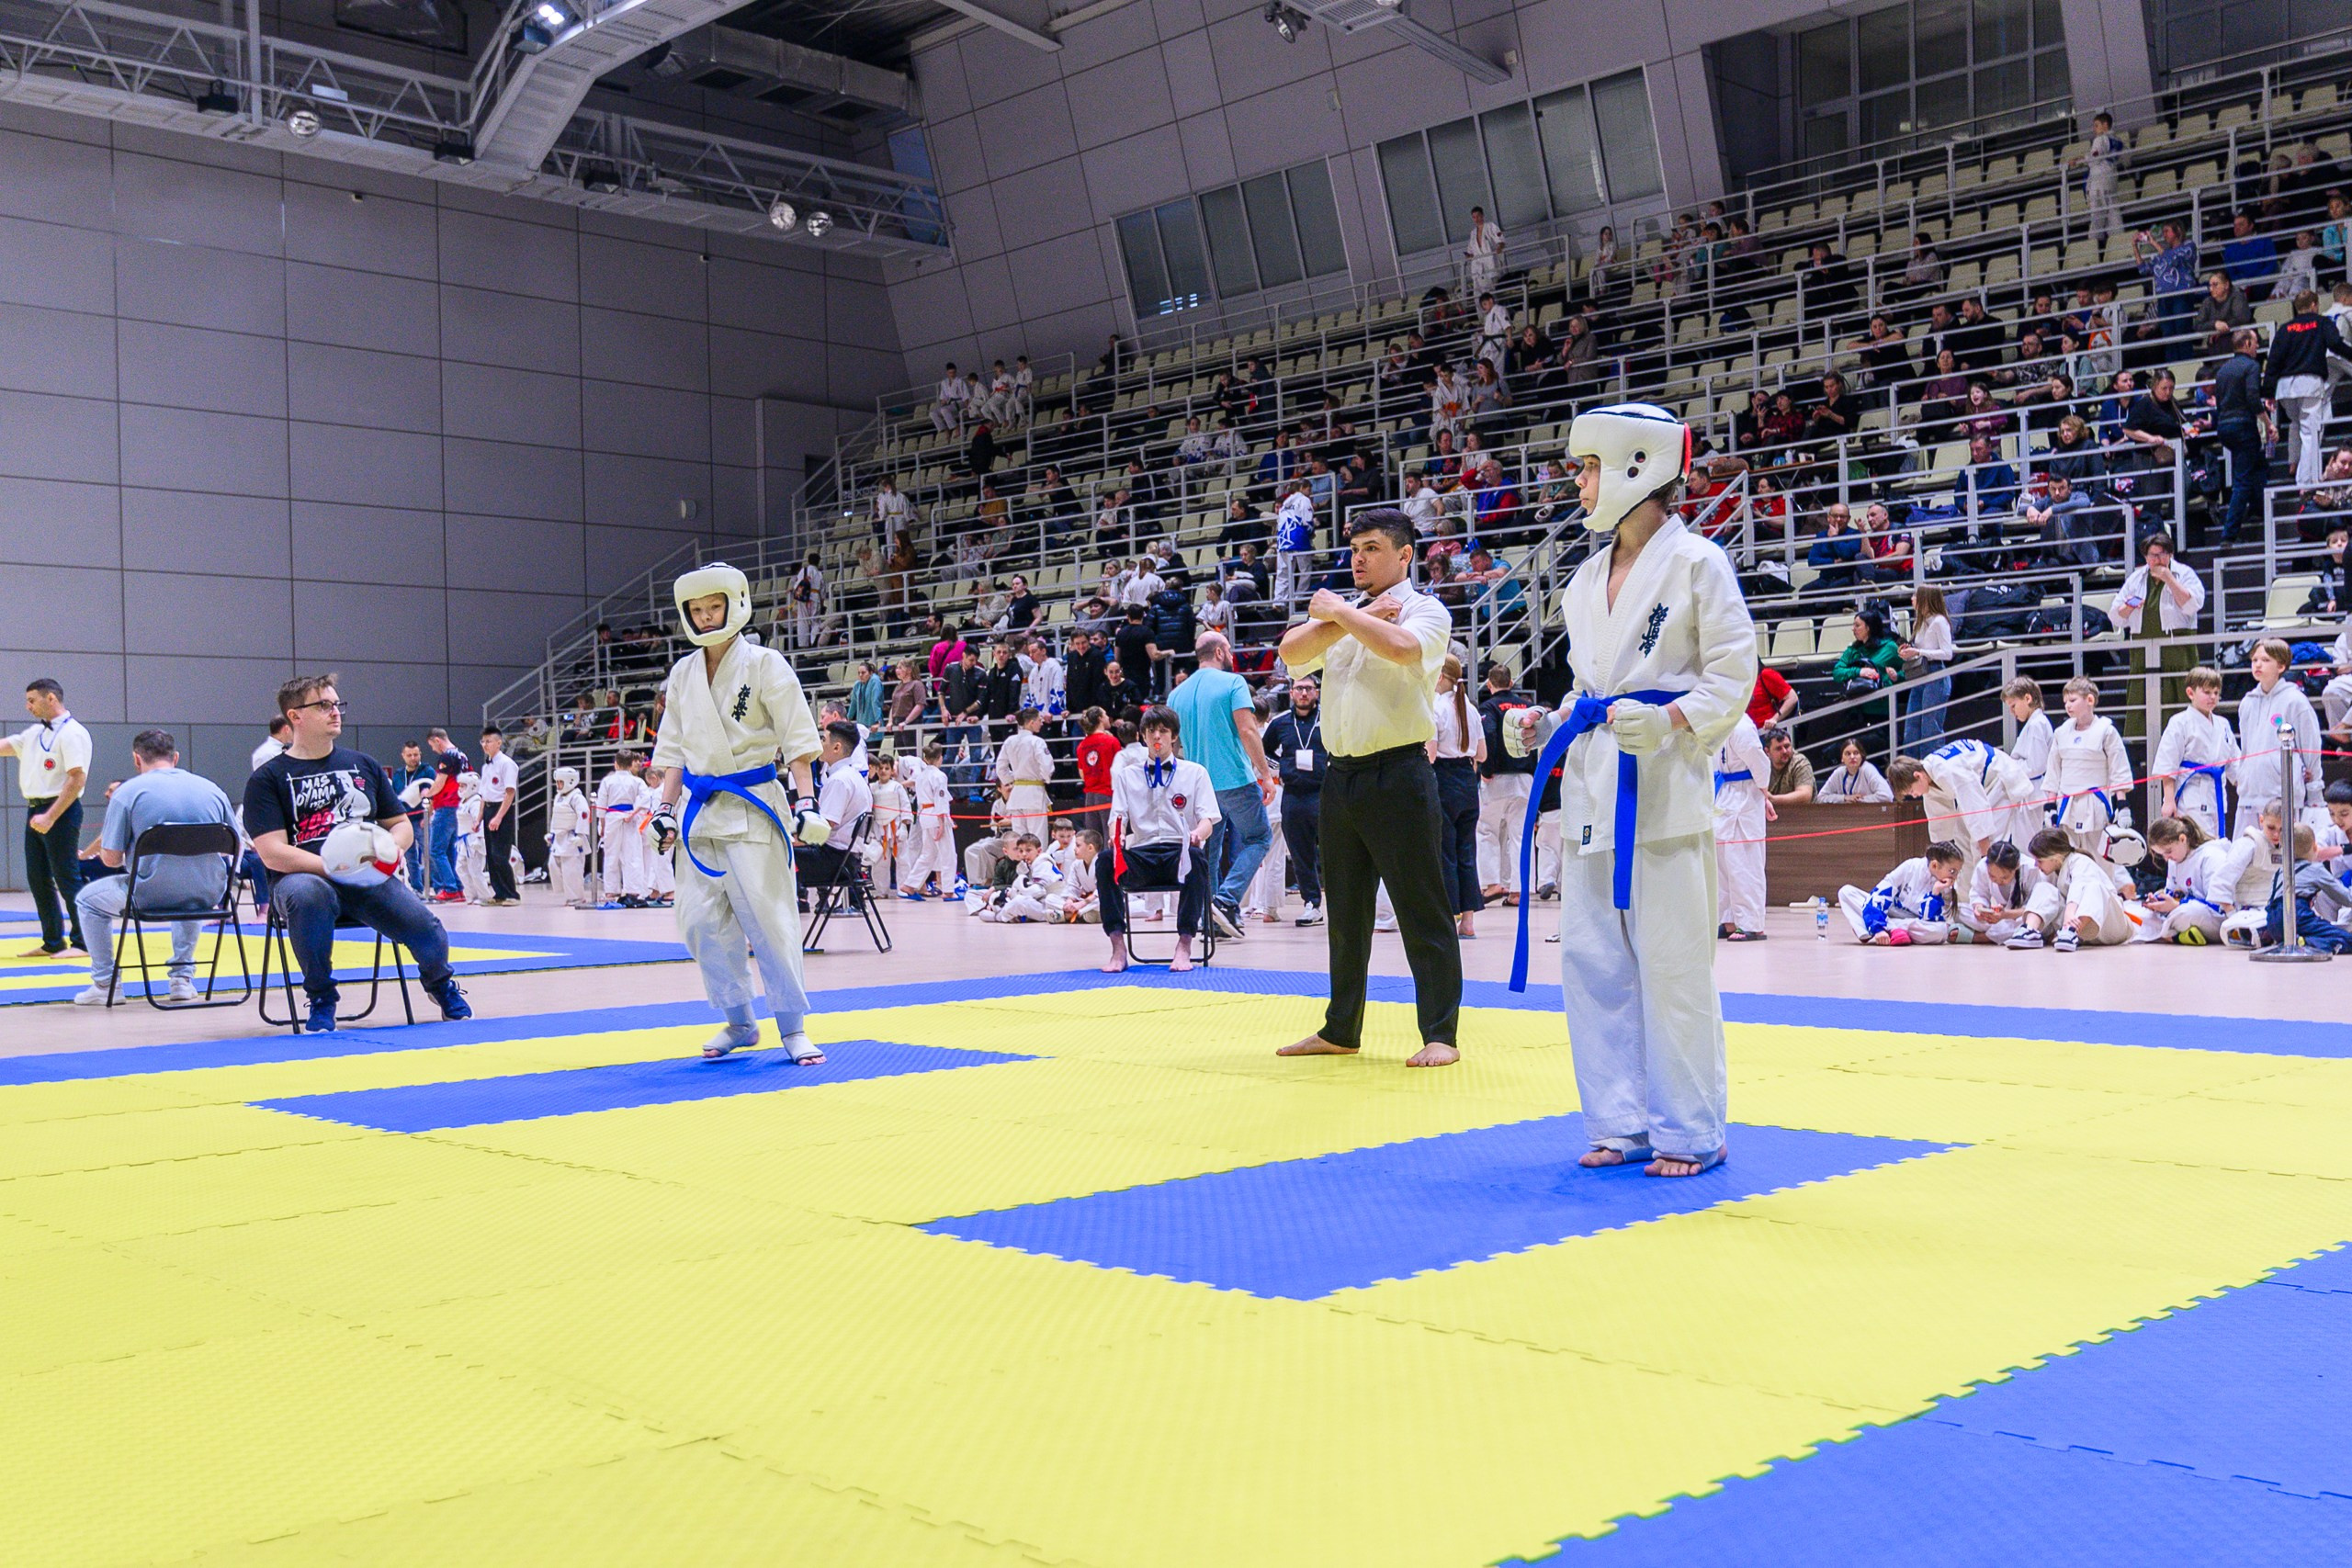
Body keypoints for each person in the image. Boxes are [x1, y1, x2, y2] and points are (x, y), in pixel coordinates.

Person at [1507, 403, 1756, 1177]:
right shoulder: (1584, 578)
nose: (1578, 484)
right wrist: (1547, 723)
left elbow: (1733, 671)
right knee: (1591, 960)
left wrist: (1678, 717)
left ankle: (1691, 1129)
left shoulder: (1698, 563)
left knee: (1673, 962)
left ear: (1636, 468)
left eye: (1586, 468)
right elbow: (1591, 685)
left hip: (1665, 788)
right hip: (1592, 781)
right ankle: (1620, 1119)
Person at [1277, 510, 1462, 1069]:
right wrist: (1347, 617)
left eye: (1373, 548)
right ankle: (1341, 1027)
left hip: (1400, 774)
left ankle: (1441, 1032)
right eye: (1355, 547)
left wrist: (1337, 611)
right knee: (1347, 911)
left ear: (1404, 555)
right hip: (1341, 777)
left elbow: (1405, 650)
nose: (1358, 557)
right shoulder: (1353, 614)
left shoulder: (1425, 609)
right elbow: (1290, 653)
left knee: (1420, 906)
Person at [646, 563, 828, 1065]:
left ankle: (792, 1027)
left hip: (755, 806)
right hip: (701, 813)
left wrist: (807, 802)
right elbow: (675, 751)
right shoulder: (683, 673)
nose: (706, 618)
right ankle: (740, 1021)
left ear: (735, 604)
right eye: (697, 611)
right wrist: (664, 809)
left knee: (770, 919)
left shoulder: (766, 664)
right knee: (701, 922)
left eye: (714, 607)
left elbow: (797, 739)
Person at [245, 673, 469, 1032]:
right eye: (323, 706)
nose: (335, 712)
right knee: (309, 895)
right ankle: (321, 996)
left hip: (366, 877)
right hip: (302, 878)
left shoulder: (362, 765)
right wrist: (335, 867)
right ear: (294, 716)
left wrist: (389, 849)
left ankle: (440, 984)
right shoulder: (268, 778)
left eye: (337, 705)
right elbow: (272, 853)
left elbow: (401, 826)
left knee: (426, 927)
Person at [70, 729, 233, 1006]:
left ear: (137, 759)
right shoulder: (212, 789)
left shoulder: (127, 793)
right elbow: (234, 845)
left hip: (148, 895)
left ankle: (106, 983)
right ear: (176, 757)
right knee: (191, 887)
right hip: (209, 894)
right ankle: (182, 979)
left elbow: (110, 859)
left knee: (86, 900)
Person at [1168, 630, 1275, 939]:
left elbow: (1173, 746)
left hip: (1196, 786)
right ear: (1218, 653)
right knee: (1258, 838)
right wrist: (1265, 775)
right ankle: (1227, 901)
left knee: (1210, 854)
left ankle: (1210, 917)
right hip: (1234, 779)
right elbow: (1248, 730)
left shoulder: (1177, 694)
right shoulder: (1233, 683)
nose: (1231, 655)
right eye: (1228, 649)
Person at [1097, 705, 1219, 974]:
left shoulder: (1195, 773)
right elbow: (1117, 817)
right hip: (1142, 854)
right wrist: (1115, 838)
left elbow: (1208, 818)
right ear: (1142, 736)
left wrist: (1197, 834)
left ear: (1174, 736)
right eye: (1151, 730)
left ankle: (1184, 943)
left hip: (1179, 853)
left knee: (1198, 858)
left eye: (1163, 731)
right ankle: (1118, 947)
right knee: (1106, 860)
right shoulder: (1127, 776)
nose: (1157, 736)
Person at [3, 677, 91, 956]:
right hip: (36, 808)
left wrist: (51, 817)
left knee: (67, 876)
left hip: (60, 810)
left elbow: (77, 779)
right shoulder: (34, 733)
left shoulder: (73, 733)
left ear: (50, 698)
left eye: (32, 700)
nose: (28, 706)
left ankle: (84, 942)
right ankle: (52, 940)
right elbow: (5, 746)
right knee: (37, 878)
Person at [1888, 741, 2043, 873]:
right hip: (1979, 789)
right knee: (1962, 844)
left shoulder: (1947, 769)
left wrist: (1985, 853)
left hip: (1996, 780)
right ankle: (1965, 902)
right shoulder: (1929, 777)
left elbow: (1975, 805)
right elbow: (1939, 823)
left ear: (1918, 776)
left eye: (1911, 790)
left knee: (1983, 847)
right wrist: (1939, 858)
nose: (1914, 795)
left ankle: (1992, 896)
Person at [2263, 288, 2352, 486]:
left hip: (2285, 388)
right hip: (2309, 383)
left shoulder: (2285, 329)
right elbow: (2336, 344)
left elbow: (2273, 361)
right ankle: (2306, 483)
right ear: (2314, 305)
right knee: (2311, 432)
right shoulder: (2322, 323)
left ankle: (2294, 464)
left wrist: (2268, 392)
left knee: (2297, 424)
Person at [2236, 637, 2322, 823]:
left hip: (2283, 794)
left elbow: (2311, 749)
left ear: (2281, 666)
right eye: (2254, 660)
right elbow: (2245, 749)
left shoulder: (2295, 701)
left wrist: (2315, 793)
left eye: (2266, 660)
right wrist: (2242, 777)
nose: (2258, 664)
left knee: (2285, 849)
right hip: (2250, 795)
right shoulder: (2247, 703)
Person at [2047, 676, 2135, 854]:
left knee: (2101, 859)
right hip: (2066, 805)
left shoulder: (2106, 730)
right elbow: (2053, 772)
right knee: (2070, 859)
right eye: (2065, 702)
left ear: (2090, 700)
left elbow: (2118, 768)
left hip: (2096, 805)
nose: (2068, 706)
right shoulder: (2061, 732)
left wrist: (2123, 805)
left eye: (2072, 700)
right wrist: (2048, 808)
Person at [1430, 655, 1485, 941]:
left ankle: (1450, 918)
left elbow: (1429, 754)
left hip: (1444, 780)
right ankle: (1469, 921)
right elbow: (1482, 754)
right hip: (1468, 782)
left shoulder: (1435, 708)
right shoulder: (1471, 709)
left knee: (1446, 854)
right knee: (1467, 852)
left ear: (1439, 676)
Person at [2008, 828, 2136, 950]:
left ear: (2054, 857)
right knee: (2043, 888)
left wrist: (2069, 917)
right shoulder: (2050, 871)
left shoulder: (2080, 861)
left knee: (2094, 887)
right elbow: (2046, 902)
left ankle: (2070, 931)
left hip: (2110, 926)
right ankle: (2030, 931)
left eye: (2039, 860)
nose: (2036, 865)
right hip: (2080, 929)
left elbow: (2078, 888)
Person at [2153, 666, 2241, 840]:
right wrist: (2168, 801)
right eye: (2207, 692)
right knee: (2194, 848)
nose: (2213, 697)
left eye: (2216, 692)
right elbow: (2168, 764)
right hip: (2191, 796)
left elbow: (2235, 764)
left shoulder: (2223, 724)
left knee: (2217, 846)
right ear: (2190, 693)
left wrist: (2248, 790)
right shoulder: (2179, 722)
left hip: (2217, 796)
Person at [1263, 677, 1325, 926]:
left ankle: (1345, 904)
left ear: (1317, 693)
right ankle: (1312, 903)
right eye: (1299, 688)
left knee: (1334, 850)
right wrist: (1281, 767)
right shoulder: (1280, 723)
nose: (1303, 693)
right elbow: (1263, 750)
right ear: (1291, 692)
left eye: (1308, 689)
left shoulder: (1328, 719)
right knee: (1300, 853)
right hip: (1294, 795)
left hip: (1325, 793)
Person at [793, 719, 874, 903]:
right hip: (849, 858)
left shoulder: (840, 780)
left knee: (778, 855)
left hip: (833, 860)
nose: (820, 744)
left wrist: (790, 842)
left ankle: (780, 918)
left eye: (824, 739)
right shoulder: (854, 777)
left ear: (836, 747)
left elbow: (823, 829)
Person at [1475, 664, 1536, 907]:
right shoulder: (1528, 707)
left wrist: (1486, 770)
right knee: (1520, 835)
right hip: (1525, 777)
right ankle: (1519, 891)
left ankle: (1492, 884)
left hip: (1498, 777)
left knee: (1486, 829)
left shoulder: (1488, 707)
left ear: (1489, 685)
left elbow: (1488, 735)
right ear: (1511, 683)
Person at [1837, 840, 1964, 945]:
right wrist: (1877, 926)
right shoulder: (1910, 867)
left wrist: (1935, 893)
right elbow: (1879, 894)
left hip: (1914, 922)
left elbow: (1930, 921)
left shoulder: (1947, 887)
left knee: (1940, 931)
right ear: (1935, 865)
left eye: (1958, 872)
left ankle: (1890, 929)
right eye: (1952, 871)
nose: (1955, 876)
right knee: (1846, 892)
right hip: (1888, 912)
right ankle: (1888, 930)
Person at [1713, 714, 1771, 942]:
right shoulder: (1718, 721)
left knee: (1744, 865)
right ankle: (1728, 921)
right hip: (1724, 793)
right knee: (1723, 865)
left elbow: (1761, 765)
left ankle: (1751, 924)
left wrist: (1764, 793)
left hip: (1746, 795)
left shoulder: (1743, 725)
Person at [2213, 328, 2269, 544]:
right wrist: (2268, 423)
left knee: (2257, 465)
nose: (2257, 347)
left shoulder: (2222, 371)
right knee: (2242, 481)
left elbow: (2220, 403)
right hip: (2244, 425)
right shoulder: (2251, 366)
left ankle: (2257, 509)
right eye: (2255, 343)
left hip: (2225, 427)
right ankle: (2229, 533)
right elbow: (2253, 398)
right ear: (2246, 344)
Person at [2143, 814, 2231, 943]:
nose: (2166, 858)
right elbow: (2172, 893)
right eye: (2162, 855)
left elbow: (2220, 905)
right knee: (2146, 916)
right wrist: (2159, 901)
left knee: (2186, 913)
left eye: (2168, 852)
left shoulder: (2211, 856)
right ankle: (2179, 934)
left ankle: (2174, 937)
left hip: (2216, 916)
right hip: (2184, 909)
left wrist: (2177, 905)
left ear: (2182, 839)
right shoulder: (2175, 860)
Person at [899, 739, 956, 898]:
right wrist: (941, 822)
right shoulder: (940, 776)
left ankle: (910, 884)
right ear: (940, 757)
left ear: (925, 759)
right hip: (936, 814)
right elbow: (941, 799)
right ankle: (948, 890)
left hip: (924, 814)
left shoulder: (921, 776)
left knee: (928, 854)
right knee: (948, 854)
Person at [1899, 585, 1954, 750]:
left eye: (1916, 596)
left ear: (1926, 598)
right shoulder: (1920, 621)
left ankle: (1931, 771)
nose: (1912, 599)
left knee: (1930, 729)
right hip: (1920, 675)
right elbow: (1920, 650)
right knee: (1912, 728)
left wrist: (1919, 651)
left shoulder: (1939, 621)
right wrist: (1908, 651)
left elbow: (1947, 653)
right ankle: (1910, 771)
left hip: (1936, 675)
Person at [1955, 839, 2039, 945]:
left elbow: (2034, 908)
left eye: (2005, 877)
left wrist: (2006, 915)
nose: (1998, 881)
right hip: (1997, 918)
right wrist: (1979, 909)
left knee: (2028, 923)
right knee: (1958, 910)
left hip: (2019, 917)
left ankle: (1980, 937)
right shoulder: (1982, 866)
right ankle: (1996, 933)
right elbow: (1978, 894)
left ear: (2017, 866)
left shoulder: (2031, 869)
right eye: (1992, 876)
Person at [475, 726, 520, 906]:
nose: (485, 745)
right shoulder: (486, 765)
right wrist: (479, 818)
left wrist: (499, 817)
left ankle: (512, 894)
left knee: (500, 854)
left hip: (502, 810)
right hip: (489, 810)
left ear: (499, 743)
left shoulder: (507, 764)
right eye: (483, 741)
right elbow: (483, 795)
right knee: (491, 856)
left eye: (489, 741)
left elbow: (509, 793)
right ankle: (499, 893)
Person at [595, 752, 648, 907]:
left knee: (611, 855)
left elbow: (601, 805)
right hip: (630, 818)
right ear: (631, 763)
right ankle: (633, 892)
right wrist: (634, 813)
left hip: (612, 818)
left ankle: (611, 891)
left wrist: (602, 826)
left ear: (616, 763)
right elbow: (646, 799)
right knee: (632, 855)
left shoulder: (608, 781)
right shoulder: (637, 781)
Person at [994, 706, 1055, 840]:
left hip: (1016, 795)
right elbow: (1047, 766)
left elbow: (1000, 768)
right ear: (1031, 722)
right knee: (1037, 838)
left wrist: (1012, 778)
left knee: (1020, 840)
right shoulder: (1037, 742)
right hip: (1034, 793)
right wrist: (1045, 778)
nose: (1042, 722)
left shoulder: (1010, 741)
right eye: (1039, 720)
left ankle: (1022, 861)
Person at [546, 764, 591, 908]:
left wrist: (581, 834)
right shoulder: (558, 797)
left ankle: (577, 897)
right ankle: (564, 892)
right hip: (558, 838)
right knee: (553, 865)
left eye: (561, 782)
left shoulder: (577, 797)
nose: (558, 785)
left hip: (572, 838)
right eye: (557, 782)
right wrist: (552, 834)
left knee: (572, 870)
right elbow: (555, 817)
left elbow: (584, 816)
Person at [2078, 110, 2125, 245]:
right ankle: (2119, 244)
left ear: (2105, 125)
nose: (2094, 129)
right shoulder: (2118, 141)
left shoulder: (2101, 139)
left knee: (2097, 217)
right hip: (2112, 180)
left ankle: (2094, 245)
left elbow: (2095, 157)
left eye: (2097, 125)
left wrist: (2079, 160)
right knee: (2114, 215)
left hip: (2099, 182)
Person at [2005, 677, 2055, 790]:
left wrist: (2009, 766)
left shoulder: (2036, 724)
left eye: (2013, 706)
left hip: (2036, 793)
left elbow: (2035, 766)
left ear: (2028, 698)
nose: (2011, 712)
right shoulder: (2035, 723)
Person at [1817, 738, 1893, 803]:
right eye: (1848, 754)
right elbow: (1821, 797)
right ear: (1842, 759)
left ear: (1861, 756)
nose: (1852, 757)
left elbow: (1887, 795)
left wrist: (1860, 800)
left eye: (1856, 753)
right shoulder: (1839, 773)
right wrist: (1844, 798)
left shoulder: (1868, 769)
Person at [1761, 725, 1815, 808]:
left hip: (1804, 815)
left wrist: (1773, 799)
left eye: (1787, 746)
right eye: (1779, 748)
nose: (1785, 751)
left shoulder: (1800, 762)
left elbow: (1805, 796)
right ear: (1767, 752)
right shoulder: (1762, 764)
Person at [1464, 205, 1505, 299]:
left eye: (1478, 216)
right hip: (1478, 268)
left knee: (1491, 294)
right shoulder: (1473, 233)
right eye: (1474, 217)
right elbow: (1471, 251)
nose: (1476, 219)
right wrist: (1469, 255)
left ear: (1482, 216)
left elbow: (1501, 240)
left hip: (1490, 265)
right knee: (1478, 296)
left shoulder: (1491, 226)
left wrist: (1500, 247)